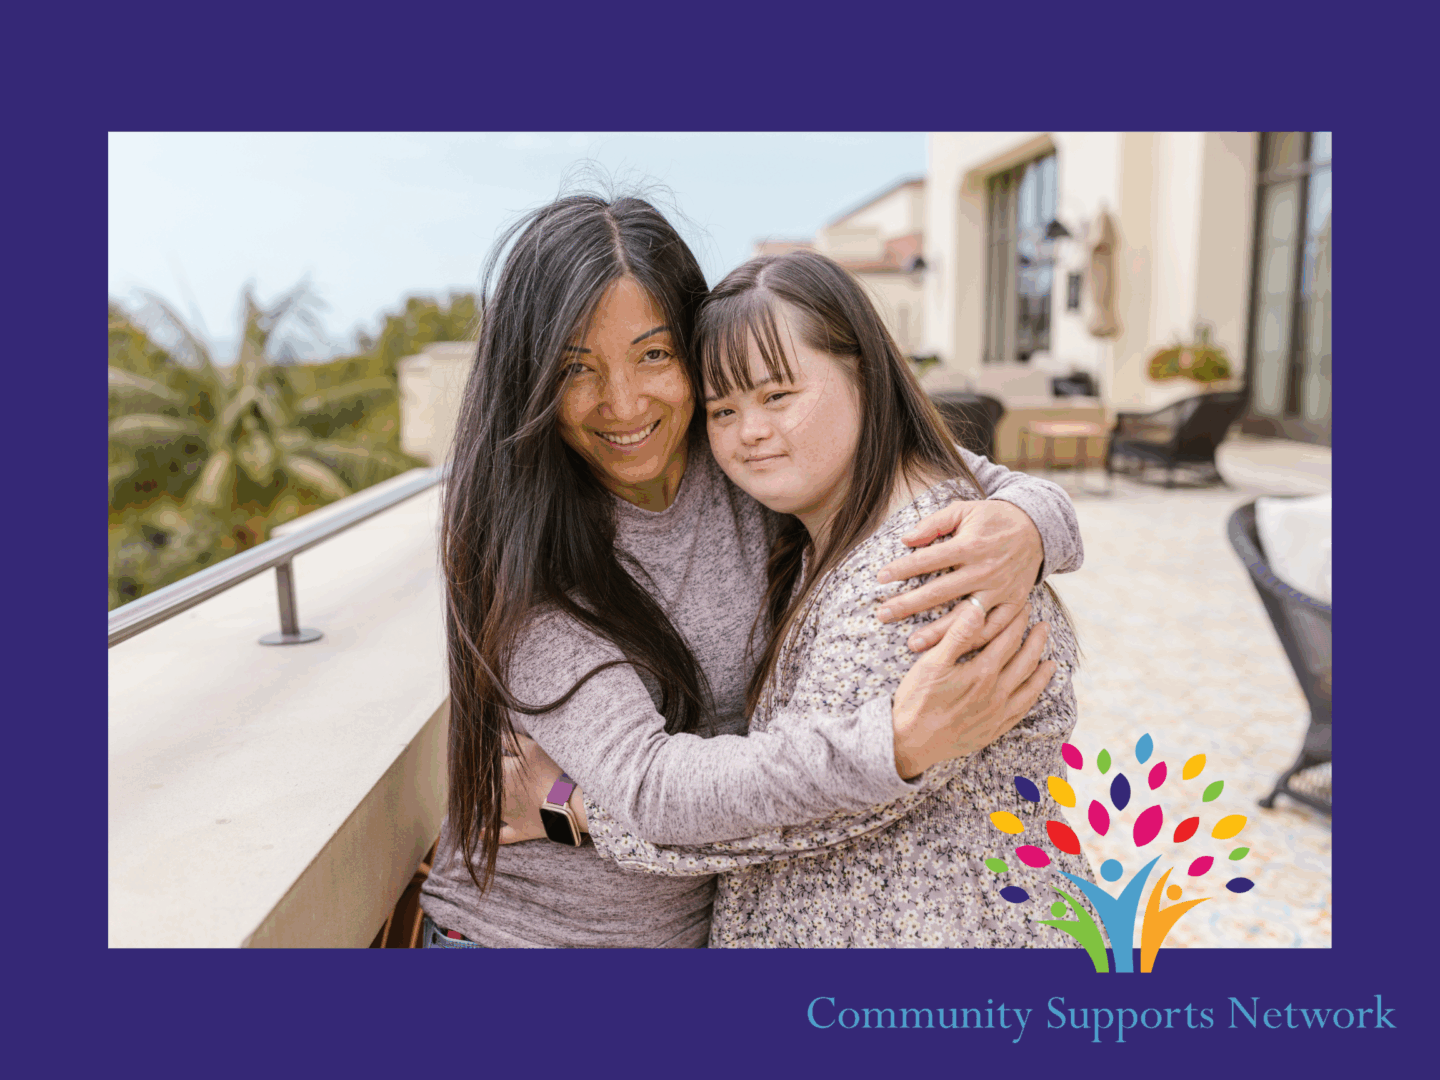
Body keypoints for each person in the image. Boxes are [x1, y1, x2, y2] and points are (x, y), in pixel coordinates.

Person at [419, 193, 1083, 948]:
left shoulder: (743, 447)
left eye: (654, 354)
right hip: (522, 943)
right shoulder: (525, 553)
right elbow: (653, 788)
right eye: (577, 369)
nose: (624, 402)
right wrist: (892, 744)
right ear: (530, 381)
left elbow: (947, 468)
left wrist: (1028, 524)